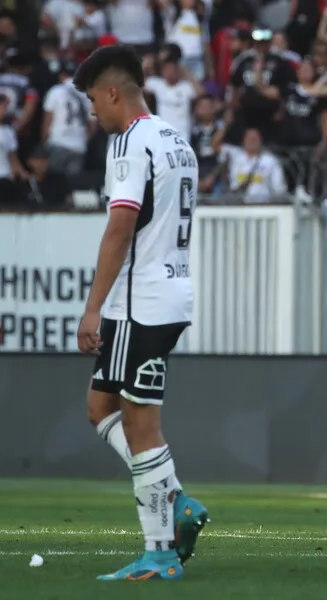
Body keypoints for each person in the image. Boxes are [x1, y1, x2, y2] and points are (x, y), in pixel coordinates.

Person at [72, 44, 209, 582]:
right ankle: (175, 501)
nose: (91, 112)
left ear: (112, 92)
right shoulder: (177, 140)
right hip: (172, 291)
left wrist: (93, 308)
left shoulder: (129, 143)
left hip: (139, 303)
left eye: (91, 99)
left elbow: (121, 226)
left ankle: (160, 552)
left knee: (139, 422)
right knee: (99, 405)